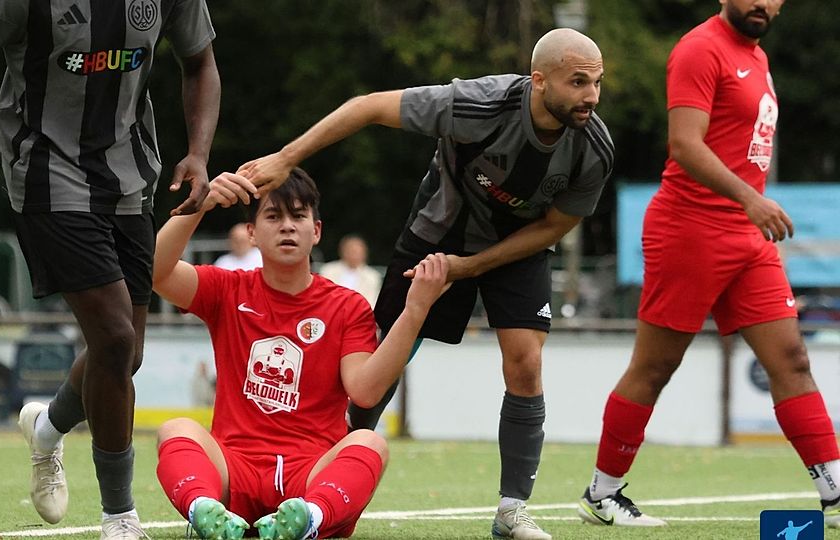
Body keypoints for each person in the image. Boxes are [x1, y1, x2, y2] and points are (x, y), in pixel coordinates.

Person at [236, 28, 613, 540]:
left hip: (518, 247)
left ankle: (512, 511)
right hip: (438, 233)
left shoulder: (594, 148)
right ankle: (318, 485)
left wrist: (470, 268)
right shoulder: (477, 104)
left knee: (526, 361)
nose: (592, 96)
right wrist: (286, 158)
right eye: (579, 82)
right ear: (540, 81)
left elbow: (554, 226)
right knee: (380, 364)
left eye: (597, 82)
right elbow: (368, 106)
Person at [0, 0, 220, 537]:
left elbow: (200, 61)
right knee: (114, 339)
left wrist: (198, 153)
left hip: (131, 179)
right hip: (46, 176)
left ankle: (46, 427)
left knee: (126, 354)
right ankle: (119, 517)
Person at [575, 0, 840, 529]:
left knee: (792, 359)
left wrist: (748, 208)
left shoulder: (757, 56)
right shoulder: (700, 49)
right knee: (655, 367)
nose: (762, 3)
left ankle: (835, 496)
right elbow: (684, 144)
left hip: (748, 237)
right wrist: (751, 198)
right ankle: (602, 494)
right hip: (689, 231)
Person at [151, 168, 449, 539]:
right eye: (273, 216)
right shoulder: (226, 288)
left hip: (310, 475)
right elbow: (155, 272)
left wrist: (415, 311)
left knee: (370, 442)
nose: (288, 226)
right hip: (233, 467)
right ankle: (204, 510)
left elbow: (366, 391)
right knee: (176, 429)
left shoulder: (347, 306)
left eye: (298, 215)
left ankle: (309, 519)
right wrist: (201, 204)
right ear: (252, 233)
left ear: (316, 230)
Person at [319, 234, 382, 307]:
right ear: (342, 251)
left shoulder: (373, 277)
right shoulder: (328, 271)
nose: (354, 254)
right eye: (351, 250)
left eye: (357, 251)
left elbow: (371, 302)